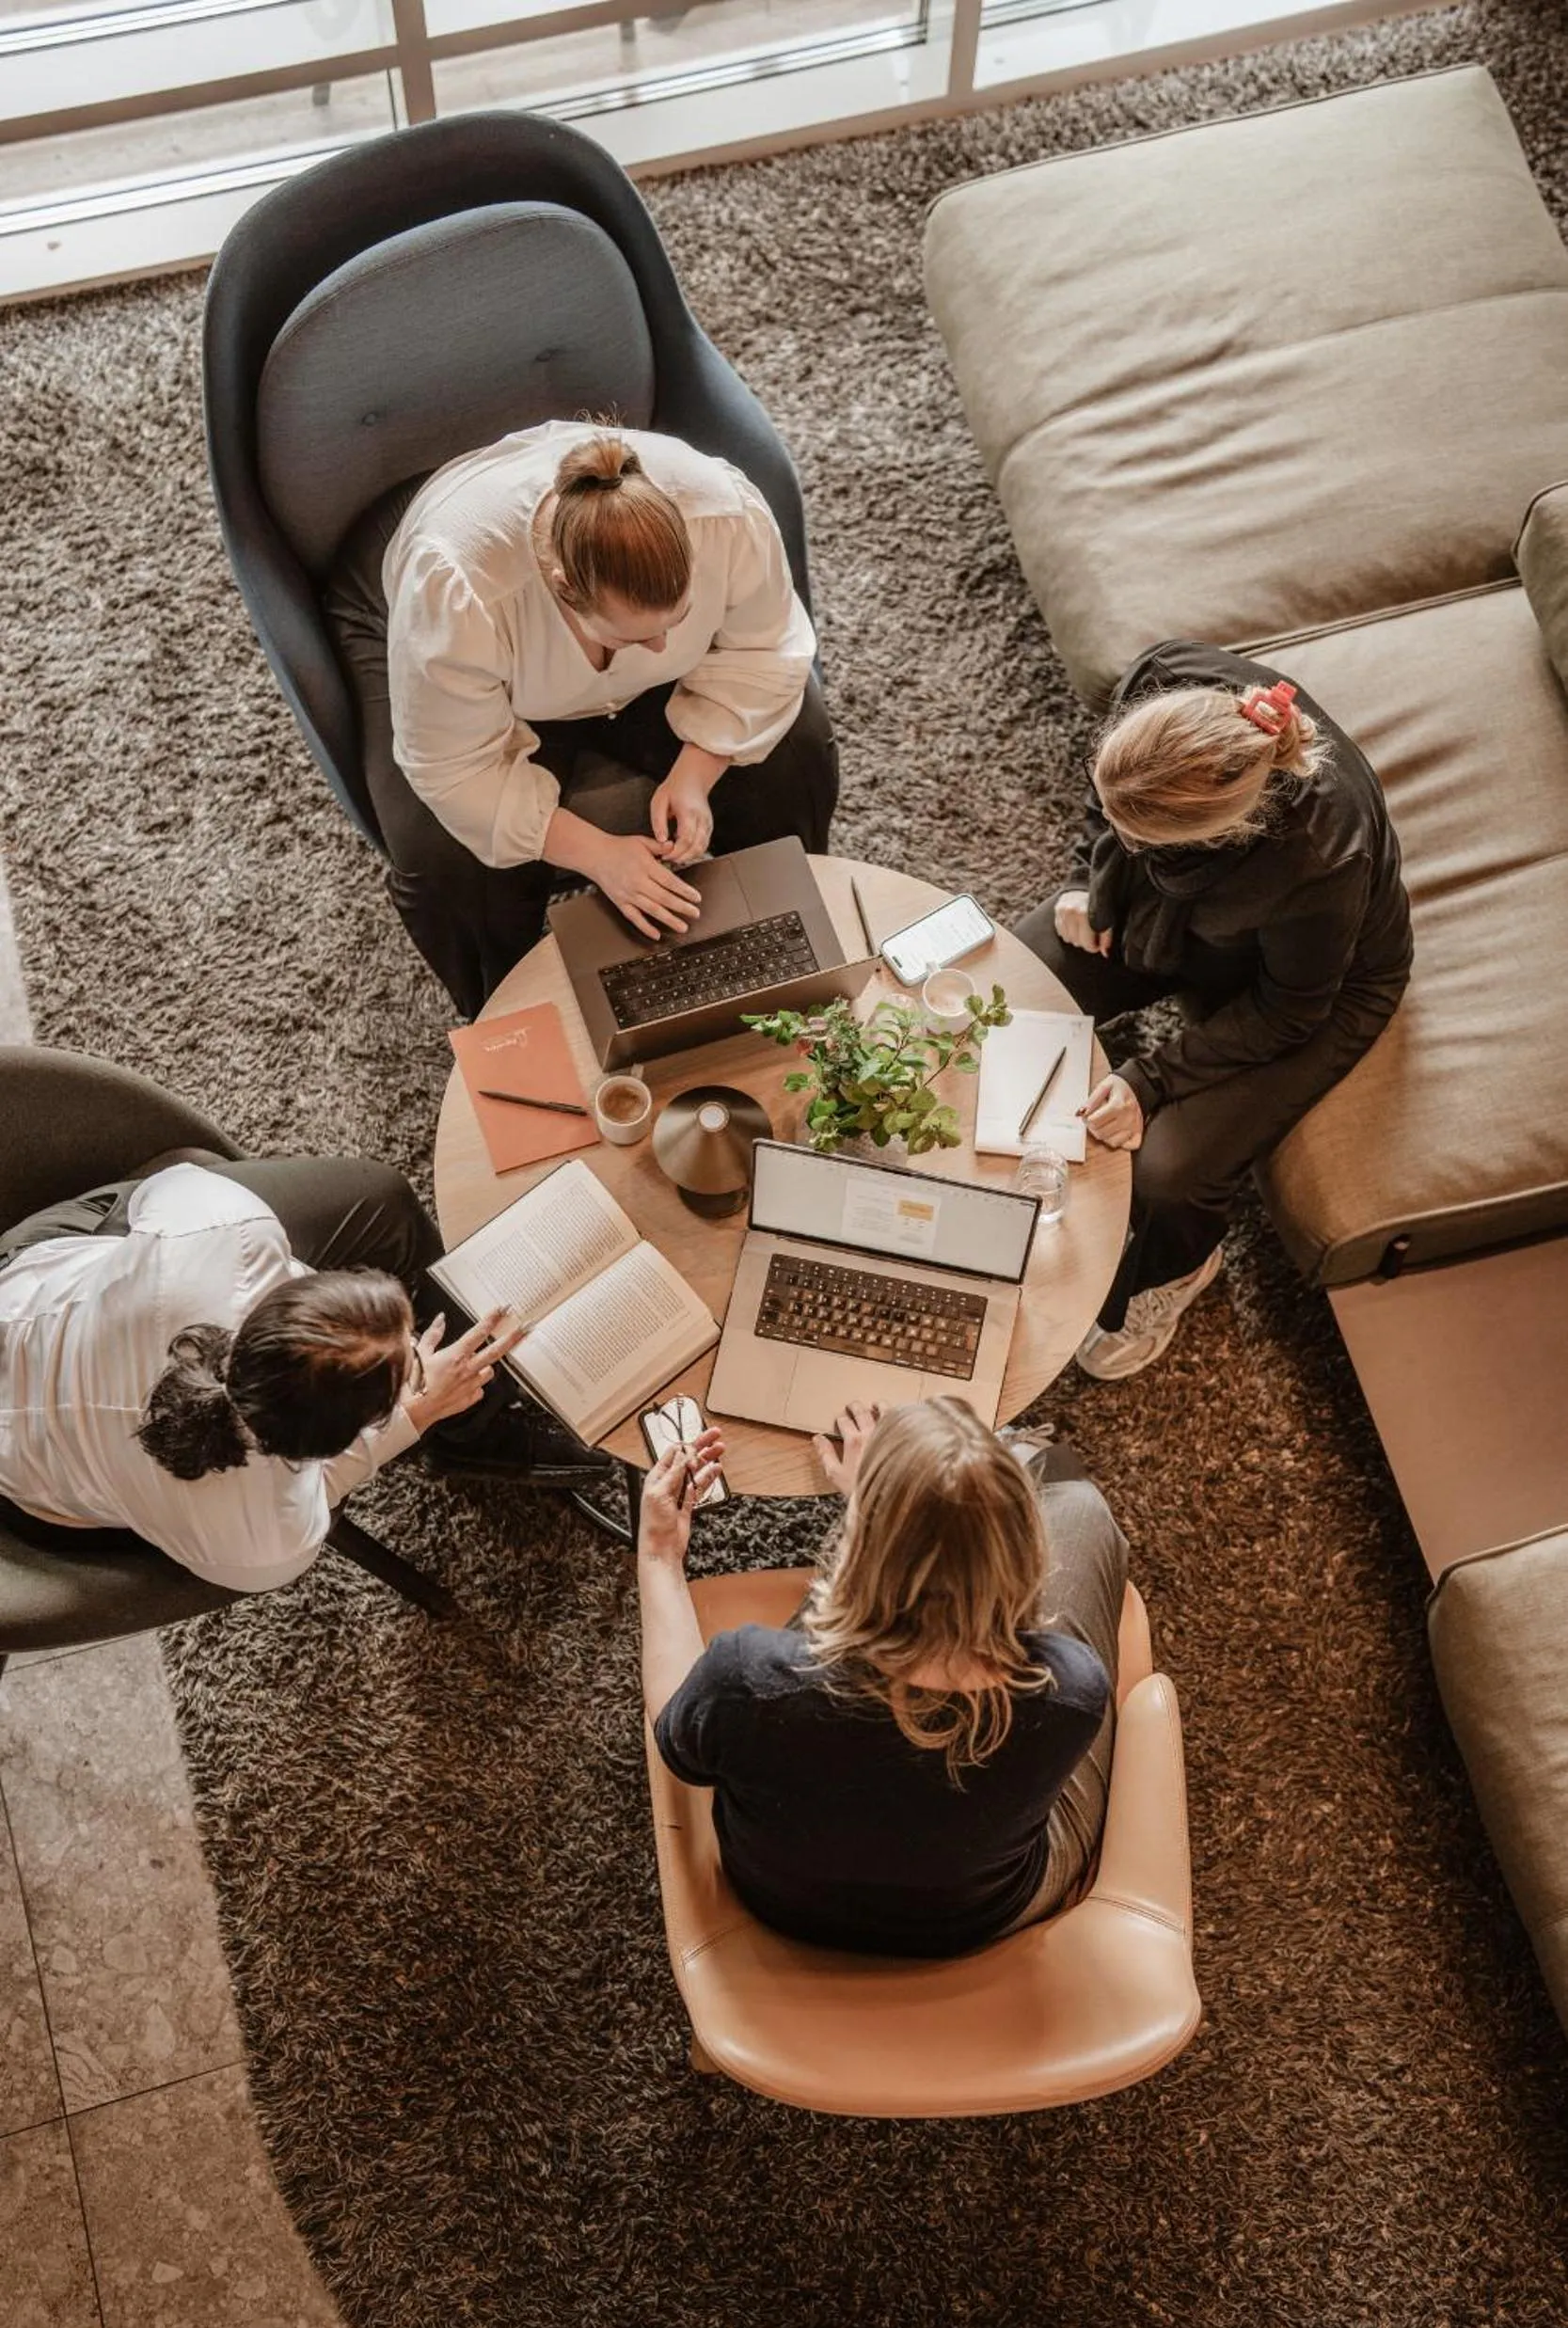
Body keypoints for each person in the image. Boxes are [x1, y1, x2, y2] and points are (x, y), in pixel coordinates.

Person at [327, 421, 839, 1018]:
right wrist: (599, 854)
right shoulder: (457, 589)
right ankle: (505, 1011)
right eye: (638, 635)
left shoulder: (724, 516)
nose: (662, 649)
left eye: (679, 621)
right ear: (563, 588)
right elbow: (455, 768)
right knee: (443, 863)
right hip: (453, 646)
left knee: (796, 754)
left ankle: (789, 930)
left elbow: (765, 648)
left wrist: (697, 772)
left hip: (592, 622)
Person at [1017, 640, 1413, 1381]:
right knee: (1018, 979)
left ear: (1216, 833)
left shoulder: (1323, 857)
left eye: (1131, 830)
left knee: (1168, 1175)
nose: (1115, 833)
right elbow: (1112, 807)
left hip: (1311, 986)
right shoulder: (1167, 676)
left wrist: (1153, 1078)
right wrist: (1083, 875)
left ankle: (1176, 1271)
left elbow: (1289, 1009)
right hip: (1177, 901)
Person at [641, 1398, 1127, 1959]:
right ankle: (1022, 1457)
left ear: (858, 1552)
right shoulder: (1066, 1688)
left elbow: (676, 1740)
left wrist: (658, 1553)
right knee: (1081, 1507)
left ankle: (925, 1512)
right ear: (1028, 1559)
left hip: (785, 1905)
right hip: (979, 1916)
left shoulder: (751, 1677)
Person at [0, 1152, 610, 1592]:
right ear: (332, 1443)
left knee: (380, 1197)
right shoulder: (264, 1537)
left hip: (26, 1314)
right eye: (408, 1368)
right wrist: (418, 1414)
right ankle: (476, 1432)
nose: (418, 1356)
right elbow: (315, 1490)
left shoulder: (224, 1235)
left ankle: (475, 1430)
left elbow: (168, 1186)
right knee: (209, 1162)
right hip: (32, 1487)